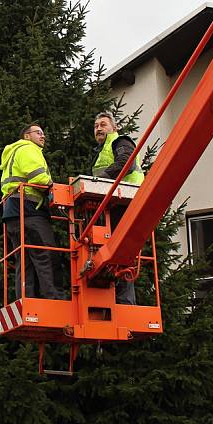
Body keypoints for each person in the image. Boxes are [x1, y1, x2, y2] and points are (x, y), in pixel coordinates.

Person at [0, 123, 63, 300]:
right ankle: (55, 299)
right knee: (47, 253)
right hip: (29, 210)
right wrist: (54, 188)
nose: (43, 136)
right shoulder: (28, 148)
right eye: (38, 133)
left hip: (13, 212)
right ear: (27, 136)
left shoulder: (13, 153)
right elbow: (38, 177)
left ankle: (26, 302)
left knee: (25, 260)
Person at [90, 112, 144, 304]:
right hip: (113, 205)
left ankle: (125, 302)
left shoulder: (120, 141)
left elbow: (126, 164)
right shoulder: (100, 151)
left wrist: (100, 179)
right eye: (96, 126)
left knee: (120, 253)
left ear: (115, 127)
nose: (98, 128)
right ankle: (117, 300)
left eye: (103, 124)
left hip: (126, 201)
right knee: (111, 254)